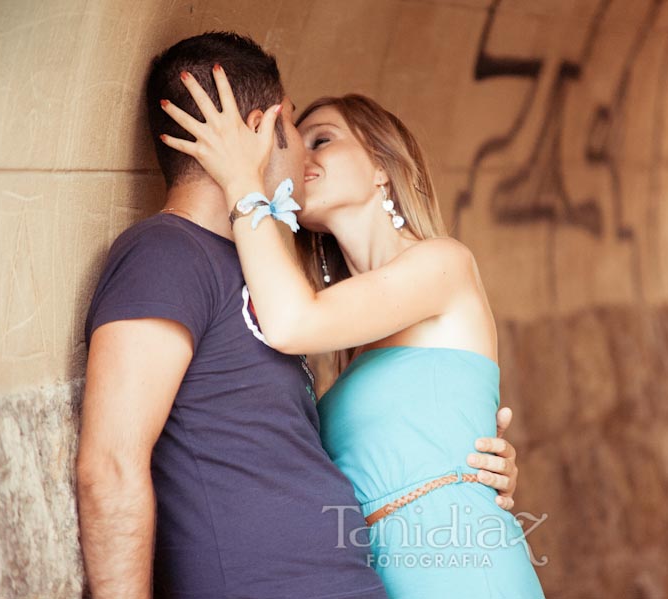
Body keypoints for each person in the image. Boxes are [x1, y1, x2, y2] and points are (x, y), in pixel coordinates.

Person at [76, 32, 520, 599]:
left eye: (324, 139)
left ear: (382, 165)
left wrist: (472, 471)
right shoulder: (195, 264)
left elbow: (291, 327)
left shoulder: (441, 264)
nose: (306, 157)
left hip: (451, 565)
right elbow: (112, 464)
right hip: (389, 574)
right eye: (298, 134)